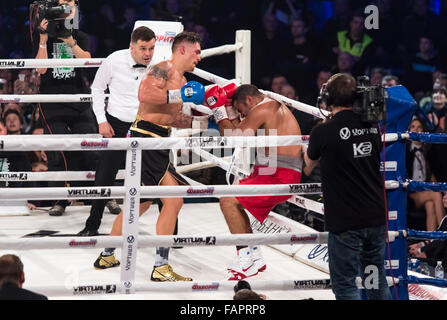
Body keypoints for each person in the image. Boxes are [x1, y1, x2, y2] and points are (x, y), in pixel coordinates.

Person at [93, 31, 204, 282]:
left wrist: (204, 117)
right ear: (182, 50)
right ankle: (161, 266)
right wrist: (179, 95)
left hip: (158, 138)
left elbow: (170, 116)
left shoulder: (184, 80)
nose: (200, 56)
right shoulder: (162, 70)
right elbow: (144, 95)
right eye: (196, 51)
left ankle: (108, 254)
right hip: (145, 138)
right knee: (173, 201)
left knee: (140, 203)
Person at [303, 73, 391, 300]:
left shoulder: (323, 131)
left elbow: (307, 166)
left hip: (346, 226)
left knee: (345, 286)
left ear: (328, 98)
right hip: (374, 220)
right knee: (374, 280)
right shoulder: (372, 125)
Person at [205, 84, 303, 280]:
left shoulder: (263, 109)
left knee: (228, 201)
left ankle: (245, 263)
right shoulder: (270, 106)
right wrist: (231, 110)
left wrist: (218, 109)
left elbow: (233, 139)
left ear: (249, 100)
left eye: (241, 111)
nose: (242, 116)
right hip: (271, 171)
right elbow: (240, 130)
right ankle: (254, 258)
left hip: (279, 175)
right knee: (234, 200)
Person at [77, 26, 156, 236]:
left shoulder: (159, 65)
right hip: (117, 124)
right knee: (104, 175)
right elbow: (97, 88)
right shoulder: (114, 60)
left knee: (159, 176)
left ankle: (170, 233)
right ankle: (92, 225)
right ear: (132, 47)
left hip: (147, 126)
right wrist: (101, 121)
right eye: (143, 48)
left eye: (151, 48)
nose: (148, 53)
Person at [33, 0, 99, 216]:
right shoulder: (42, 33)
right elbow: (41, 70)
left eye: (70, 3)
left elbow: (88, 62)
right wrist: (43, 40)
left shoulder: (79, 35)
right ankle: (61, 200)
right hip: (52, 101)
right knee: (57, 152)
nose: (66, 8)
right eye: (62, 3)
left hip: (78, 99)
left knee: (92, 148)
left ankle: (101, 197)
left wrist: (71, 42)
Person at [406, 117, 445, 231]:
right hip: (411, 194)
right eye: (413, 127)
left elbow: (432, 175)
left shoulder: (428, 151)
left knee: (430, 206)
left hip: (425, 192)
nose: (416, 130)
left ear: (423, 130)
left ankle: (431, 243)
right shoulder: (405, 152)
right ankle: (444, 231)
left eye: (419, 127)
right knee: (436, 195)